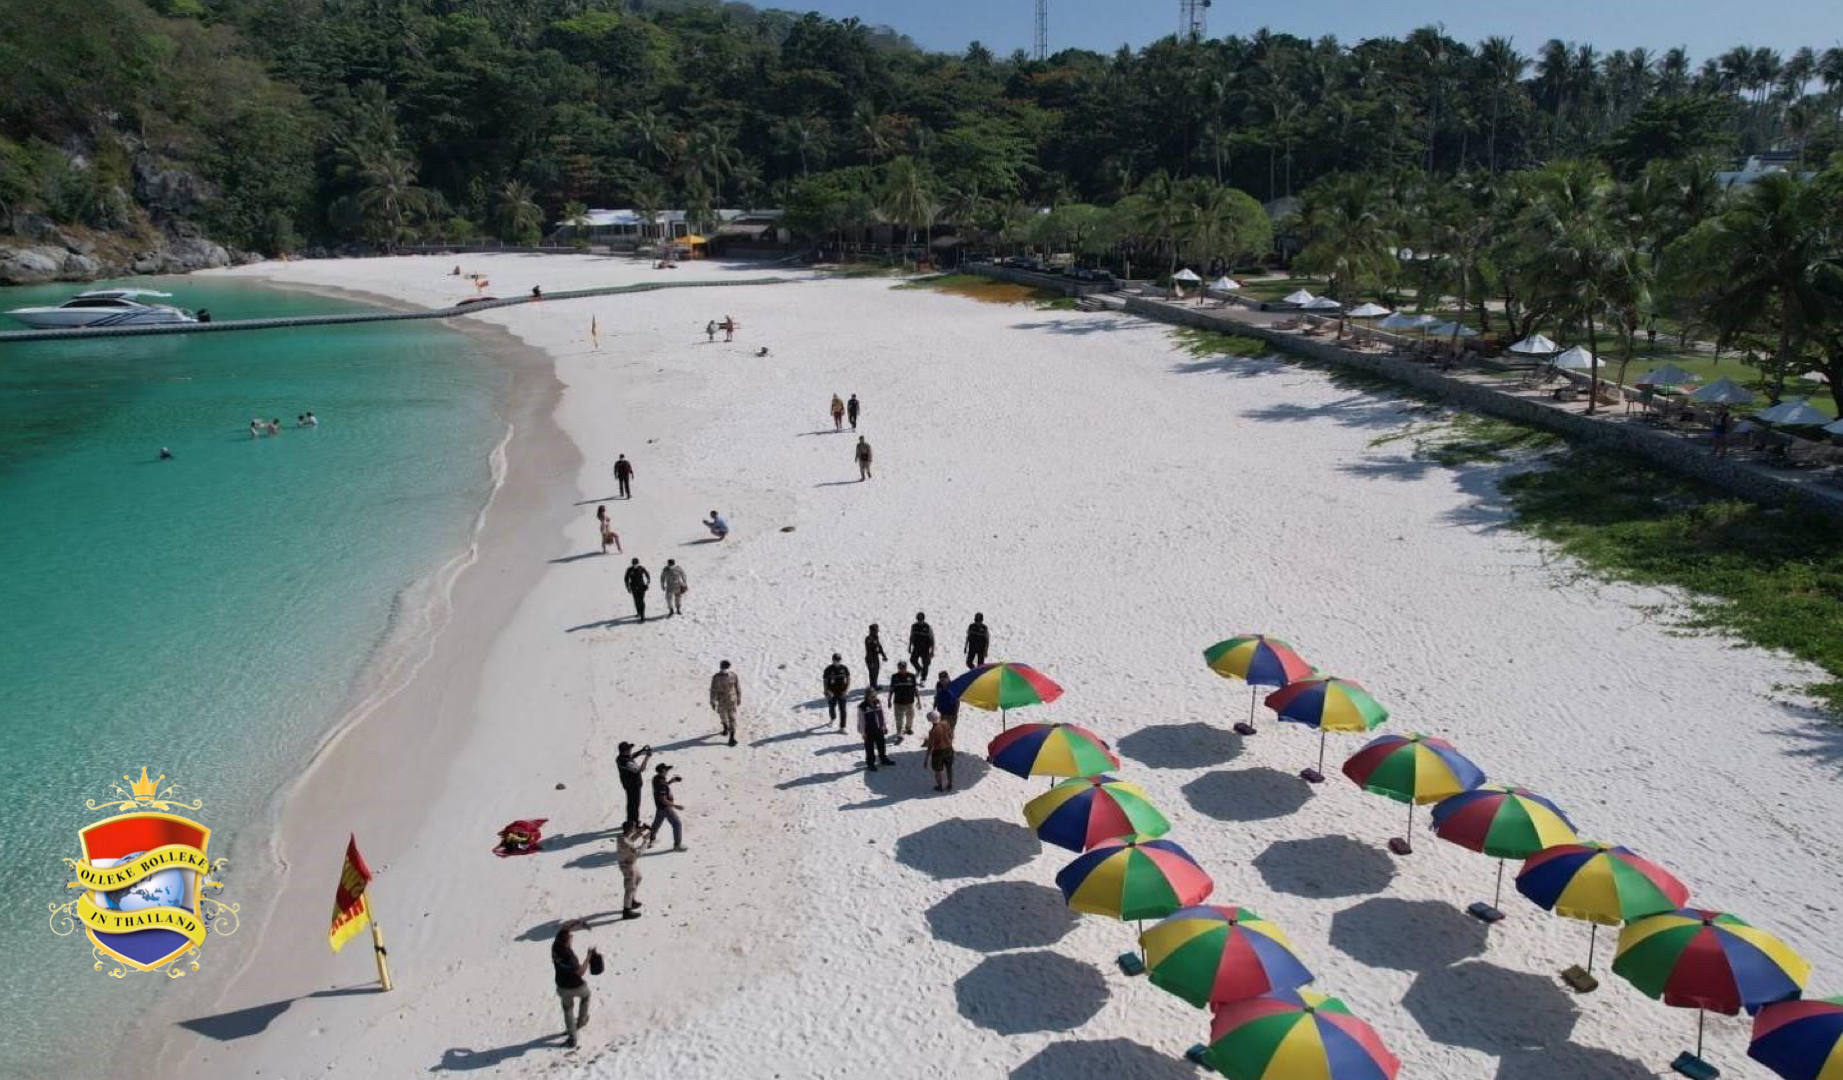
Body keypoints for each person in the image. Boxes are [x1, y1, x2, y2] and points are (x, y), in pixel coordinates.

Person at [552, 919, 598, 1049]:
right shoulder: (570, 958)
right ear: (567, 942)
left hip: (562, 986)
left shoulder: (555, 947)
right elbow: (580, 972)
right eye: (571, 938)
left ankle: (572, 1038)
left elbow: (565, 928)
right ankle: (582, 1021)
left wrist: (579, 923)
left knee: (568, 1010)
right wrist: (588, 957)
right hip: (576, 986)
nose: (572, 937)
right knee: (586, 996)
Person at [647, 763, 685, 851]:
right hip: (665, 808)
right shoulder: (661, 784)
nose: (668, 771)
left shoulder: (656, 778)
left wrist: (671, 781)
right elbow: (663, 799)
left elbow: (662, 787)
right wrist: (676, 806)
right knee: (677, 824)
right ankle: (677, 845)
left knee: (656, 824)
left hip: (660, 807)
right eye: (667, 770)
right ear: (663, 771)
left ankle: (651, 839)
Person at [616, 742, 652, 831]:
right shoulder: (626, 762)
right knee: (634, 805)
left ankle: (629, 822)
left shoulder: (620, 758)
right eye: (629, 749)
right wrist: (647, 757)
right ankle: (634, 824)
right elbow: (640, 769)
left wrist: (642, 750)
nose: (630, 750)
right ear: (625, 751)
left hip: (628, 784)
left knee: (631, 804)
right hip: (633, 785)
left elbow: (632, 756)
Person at [858, 690, 893, 771]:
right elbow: (861, 721)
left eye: (875, 696)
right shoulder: (862, 706)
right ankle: (870, 764)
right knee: (869, 748)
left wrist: (884, 726)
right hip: (868, 731)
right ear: (867, 696)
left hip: (879, 729)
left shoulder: (877, 702)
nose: (874, 698)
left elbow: (881, 715)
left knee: (881, 745)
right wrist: (863, 733)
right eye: (872, 696)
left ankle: (883, 759)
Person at [710, 660, 742, 746]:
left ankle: (732, 738)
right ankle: (725, 728)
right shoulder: (716, 677)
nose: (724, 669)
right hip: (721, 700)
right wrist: (713, 701)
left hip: (732, 700)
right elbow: (713, 690)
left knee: (732, 718)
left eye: (726, 667)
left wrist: (739, 698)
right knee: (722, 715)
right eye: (723, 667)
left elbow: (737, 687)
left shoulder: (734, 675)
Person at [922, 711, 956, 791]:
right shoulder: (946, 723)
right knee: (949, 768)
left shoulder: (932, 732)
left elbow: (930, 746)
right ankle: (950, 785)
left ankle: (940, 787)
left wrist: (926, 758)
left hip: (938, 752)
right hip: (949, 749)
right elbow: (951, 735)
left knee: (938, 770)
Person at [616, 824, 643, 918]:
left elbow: (630, 840)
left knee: (638, 878)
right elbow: (639, 852)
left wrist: (640, 833)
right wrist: (646, 840)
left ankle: (631, 901)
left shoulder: (623, 837)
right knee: (630, 888)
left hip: (630, 863)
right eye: (634, 828)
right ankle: (626, 911)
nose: (635, 829)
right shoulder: (626, 844)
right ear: (630, 830)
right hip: (627, 866)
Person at [888, 661, 918, 738]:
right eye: (900, 668)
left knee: (910, 717)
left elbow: (915, 689)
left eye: (903, 668)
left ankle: (908, 728)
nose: (902, 669)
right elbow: (891, 689)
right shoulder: (894, 677)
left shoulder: (912, 676)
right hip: (898, 702)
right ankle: (899, 732)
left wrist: (919, 701)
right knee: (899, 719)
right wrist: (889, 700)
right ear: (898, 668)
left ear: (906, 668)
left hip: (909, 702)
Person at [822, 653, 851, 729]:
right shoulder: (828, 669)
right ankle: (832, 719)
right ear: (833, 660)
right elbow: (825, 681)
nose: (837, 662)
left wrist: (847, 690)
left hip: (842, 692)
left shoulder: (844, 668)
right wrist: (826, 691)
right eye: (835, 660)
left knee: (843, 710)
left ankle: (842, 727)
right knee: (831, 707)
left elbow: (848, 679)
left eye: (838, 660)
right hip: (832, 692)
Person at [908, 613, 935, 680]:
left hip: (925, 648)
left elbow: (932, 639)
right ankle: (919, 670)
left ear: (923, 619)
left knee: (926, 664)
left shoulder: (928, 627)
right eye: (918, 619)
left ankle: (923, 679)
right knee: (912, 660)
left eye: (921, 619)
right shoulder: (914, 626)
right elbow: (911, 637)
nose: (920, 621)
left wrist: (932, 651)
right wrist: (909, 647)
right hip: (916, 647)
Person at [623, 558, 650, 622]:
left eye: (636, 563)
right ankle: (638, 612)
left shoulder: (641, 568)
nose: (635, 564)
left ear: (638, 563)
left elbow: (647, 575)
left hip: (641, 587)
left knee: (641, 600)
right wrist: (628, 587)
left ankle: (642, 615)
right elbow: (626, 579)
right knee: (636, 600)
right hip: (634, 587)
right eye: (634, 563)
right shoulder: (629, 569)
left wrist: (647, 582)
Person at [864, 623, 888, 690]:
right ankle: (873, 686)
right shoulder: (868, 639)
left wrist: (884, 655)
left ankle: (874, 685)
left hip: (875, 657)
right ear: (871, 631)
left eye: (877, 631)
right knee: (872, 673)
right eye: (875, 631)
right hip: (870, 658)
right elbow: (869, 651)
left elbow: (879, 647)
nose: (877, 632)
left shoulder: (876, 638)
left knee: (876, 672)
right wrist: (871, 661)